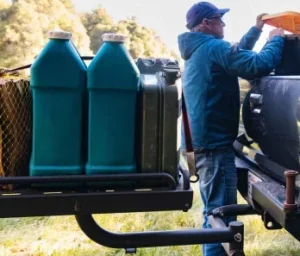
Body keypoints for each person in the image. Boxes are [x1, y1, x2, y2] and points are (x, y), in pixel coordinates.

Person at [177, 2, 284, 256]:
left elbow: (234, 54)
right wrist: (276, 40)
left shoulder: (199, 49)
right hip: (214, 149)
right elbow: (256, 65)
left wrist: (256, 30)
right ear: (206, 23)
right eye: (219, 19)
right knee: (220, 220)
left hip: (201, 145)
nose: (224, 24)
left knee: (213, 214)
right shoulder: (212, 47)